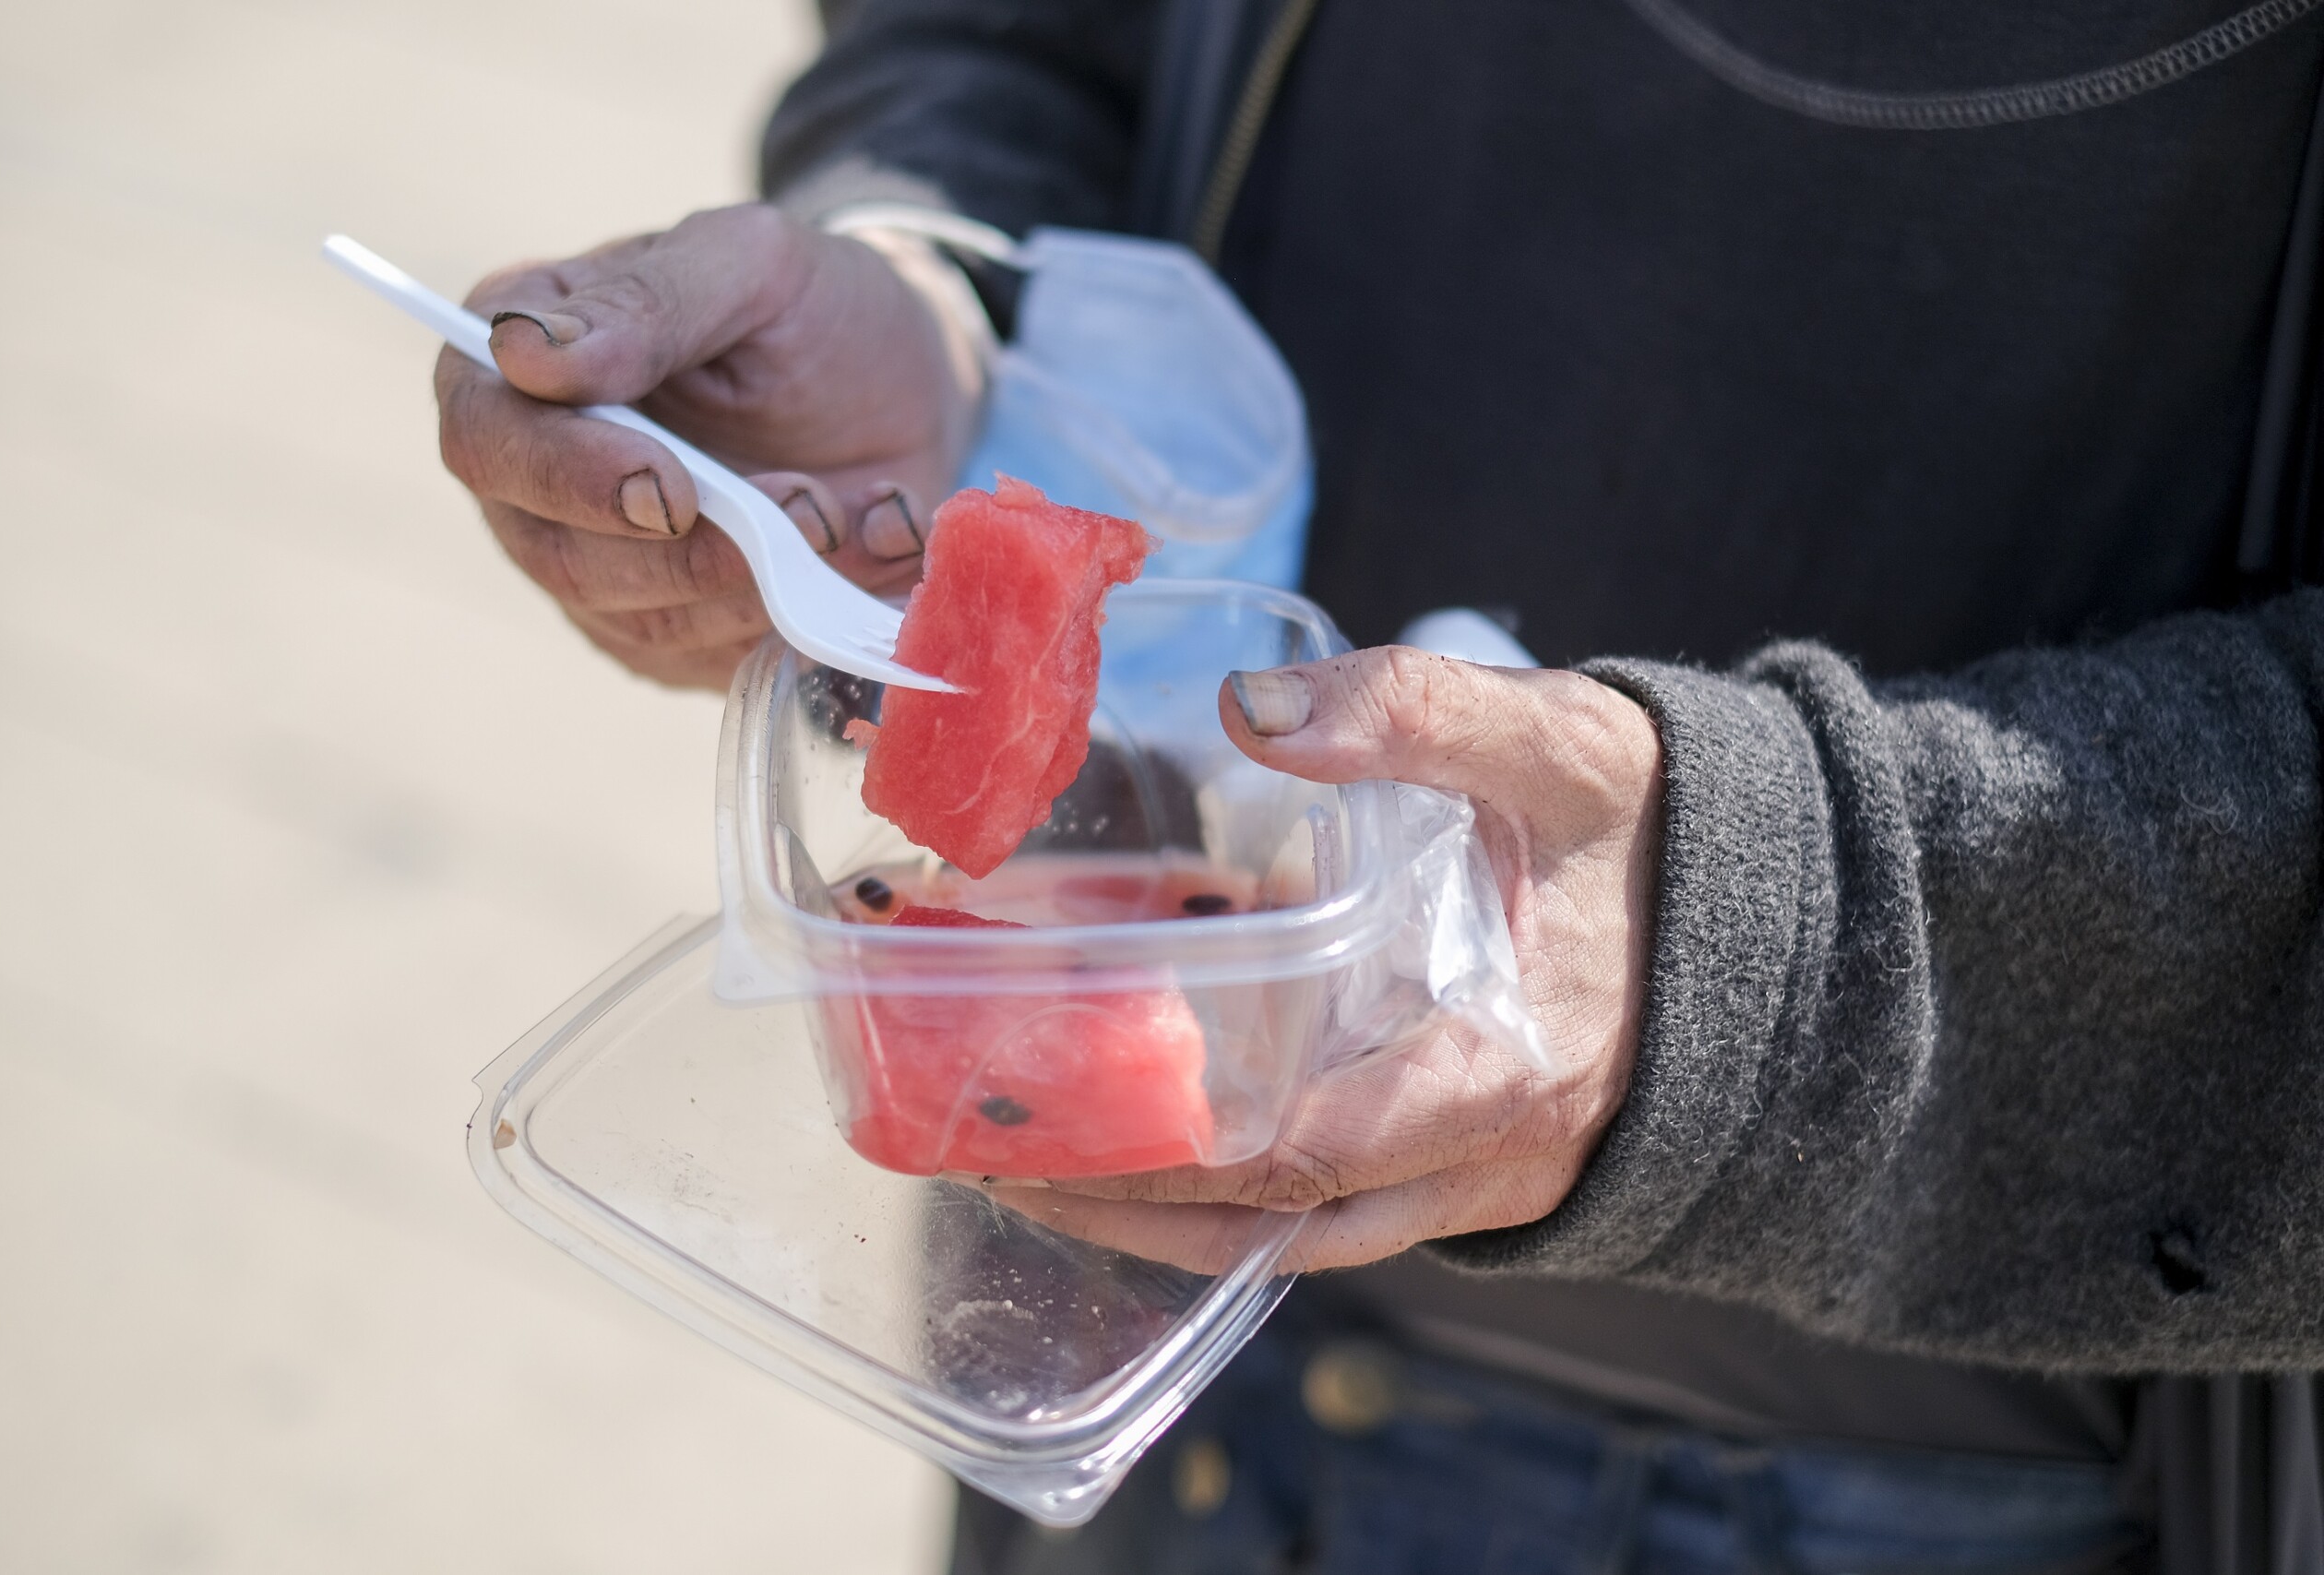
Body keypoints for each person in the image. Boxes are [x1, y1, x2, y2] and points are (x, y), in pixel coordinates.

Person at [434, 0, 2324, 1568]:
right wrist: (952, 284)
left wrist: (1759, 954)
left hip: (1910, 1490)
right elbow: (989, 37)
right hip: (1105, 1325)